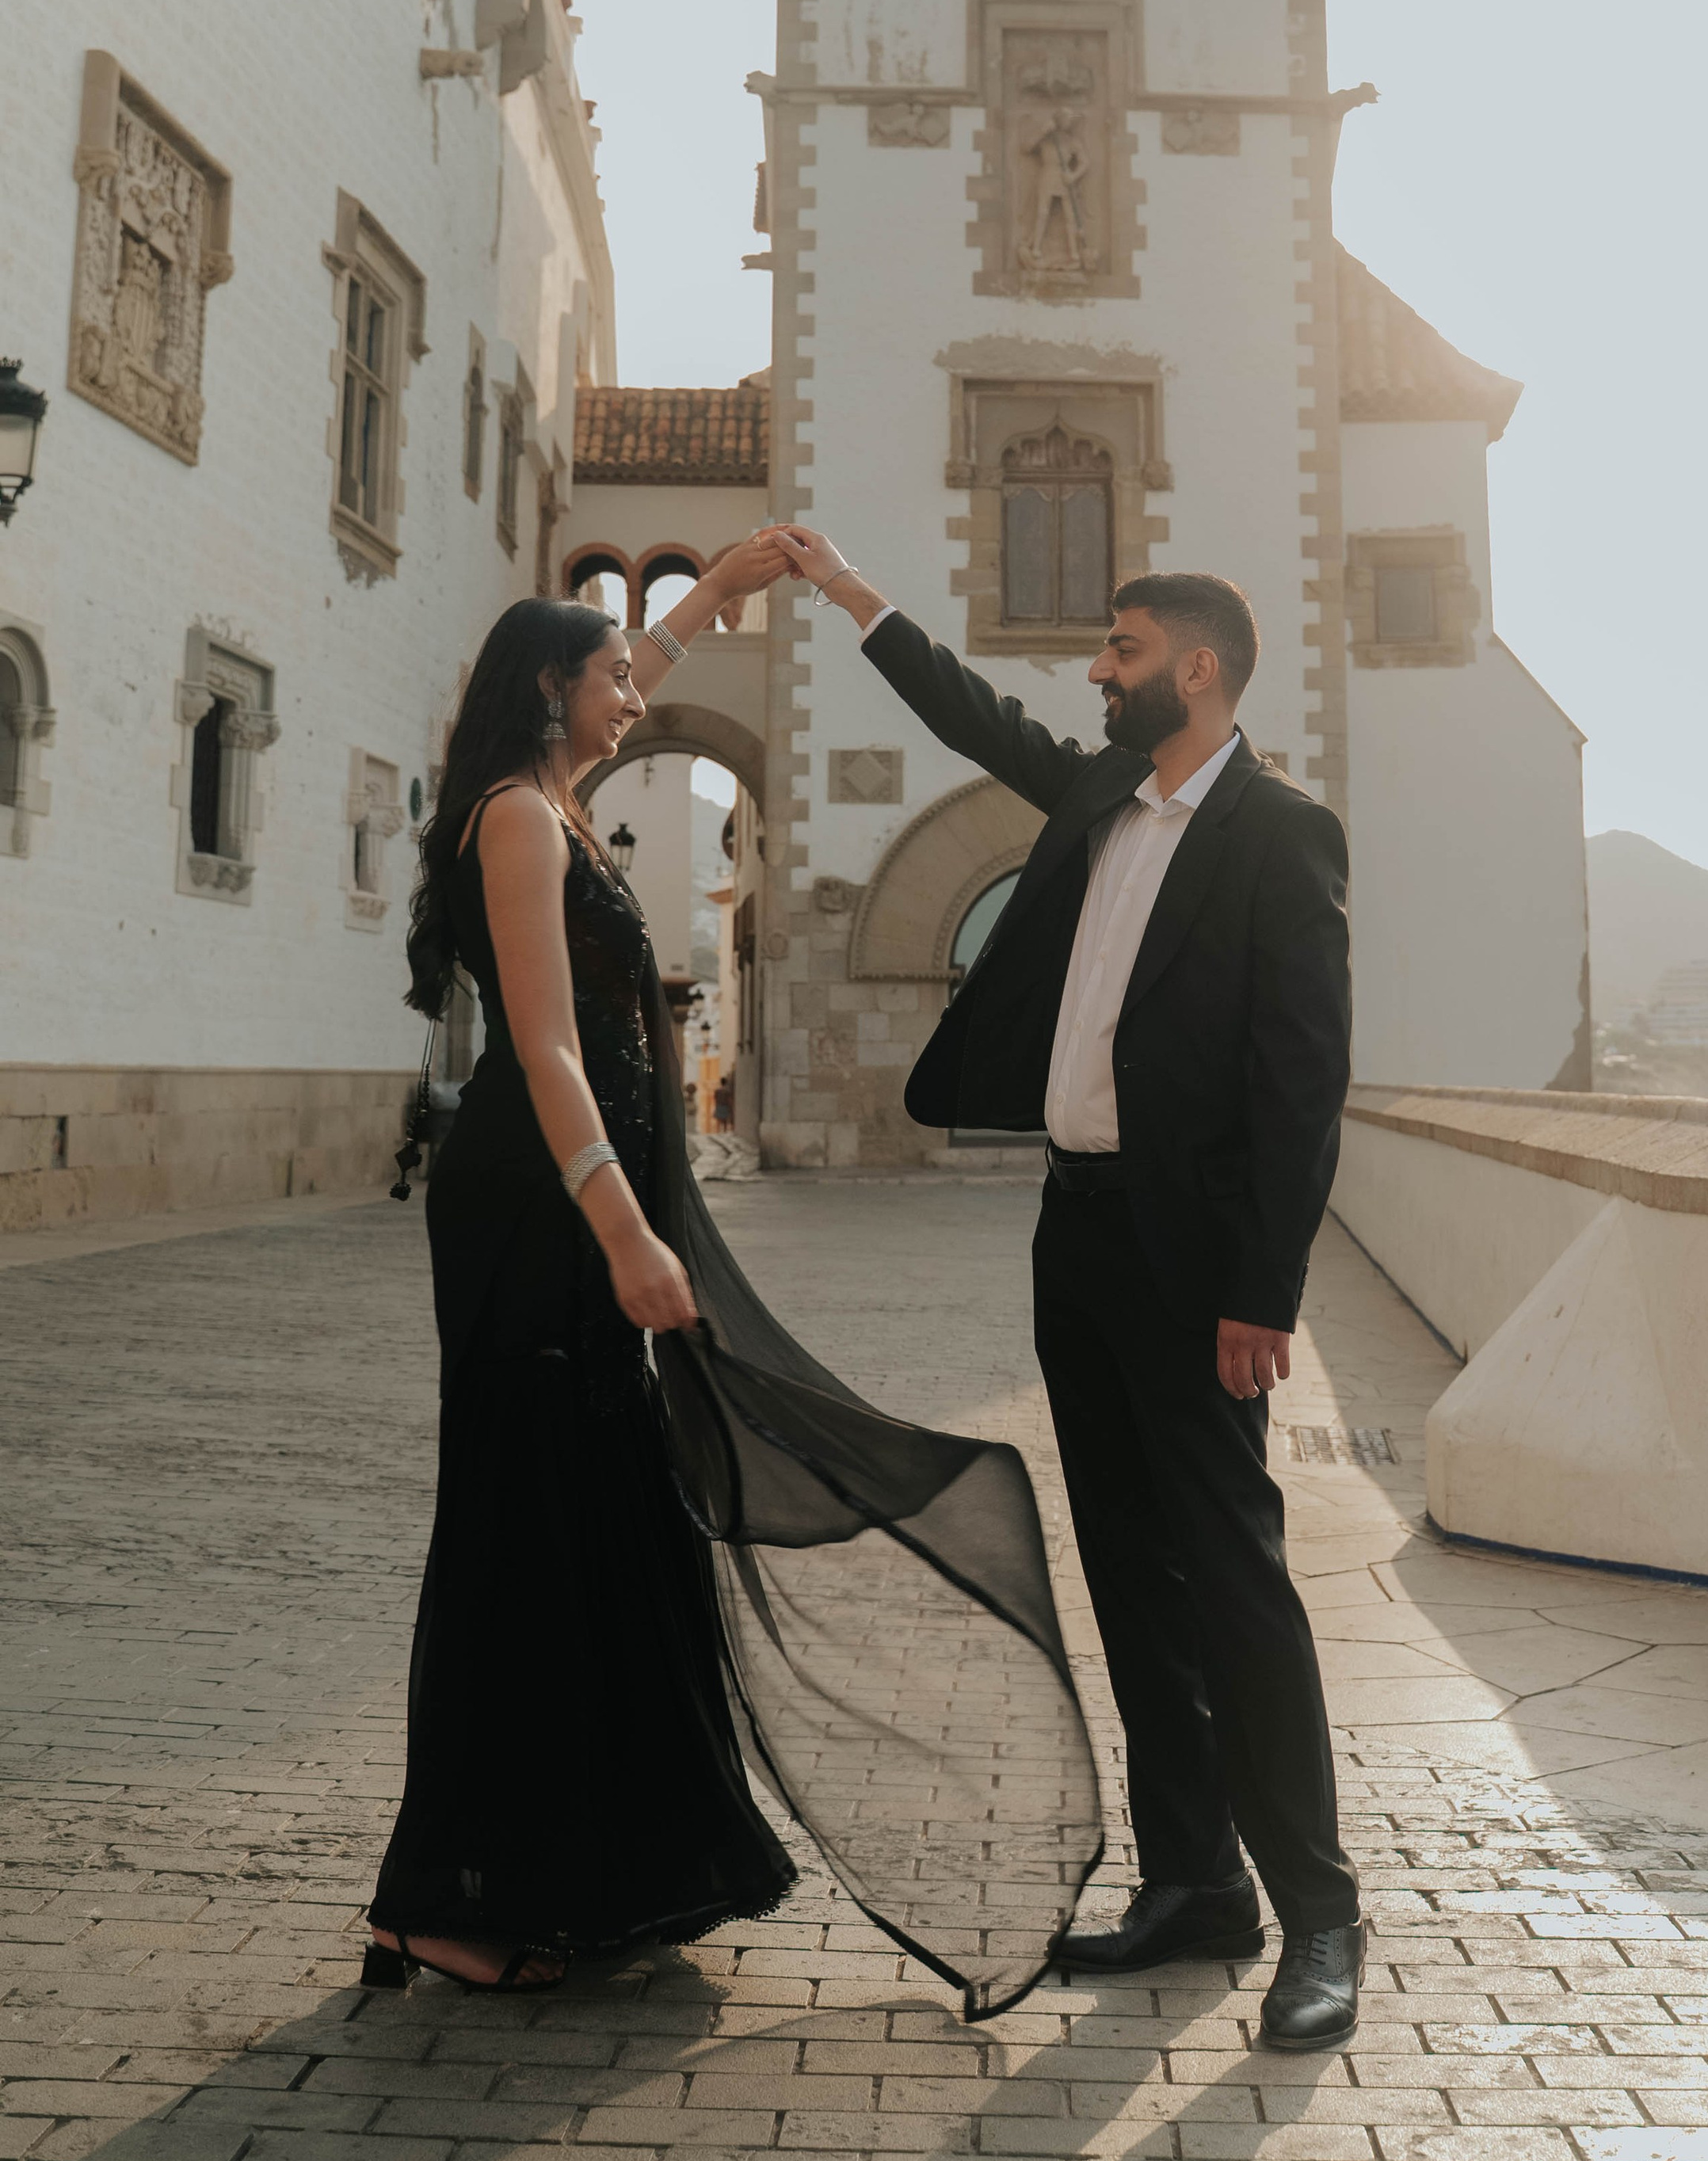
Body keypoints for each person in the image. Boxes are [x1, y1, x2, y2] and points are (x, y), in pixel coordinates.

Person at [767, 526, 1367, 2051]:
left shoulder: (1282, 834)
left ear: (1197, 670)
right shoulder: (1103, 793)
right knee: (1131, 1574)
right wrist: (848, 591)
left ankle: (1322, 1914)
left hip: (1195, 1260)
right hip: (1077, 1233)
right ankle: (1196, 1885)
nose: (1098, 673)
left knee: (1232, 1578)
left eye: (1122, 651)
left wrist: (1263, 1292)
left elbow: (1303, 1084)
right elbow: (975, 716)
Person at [364, 544, 798, 1990]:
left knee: (591, 1514)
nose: (637, 696)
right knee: (524, 1524)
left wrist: (715, 588)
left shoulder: (551, 795)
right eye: (612, 677)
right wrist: (625, 1230)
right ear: (553, 690)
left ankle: (584, 1867)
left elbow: (635, 666)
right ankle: (444, 1903)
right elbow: (547, 1048)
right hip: (539, 1216)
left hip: (568, 1206)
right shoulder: (515, 818)